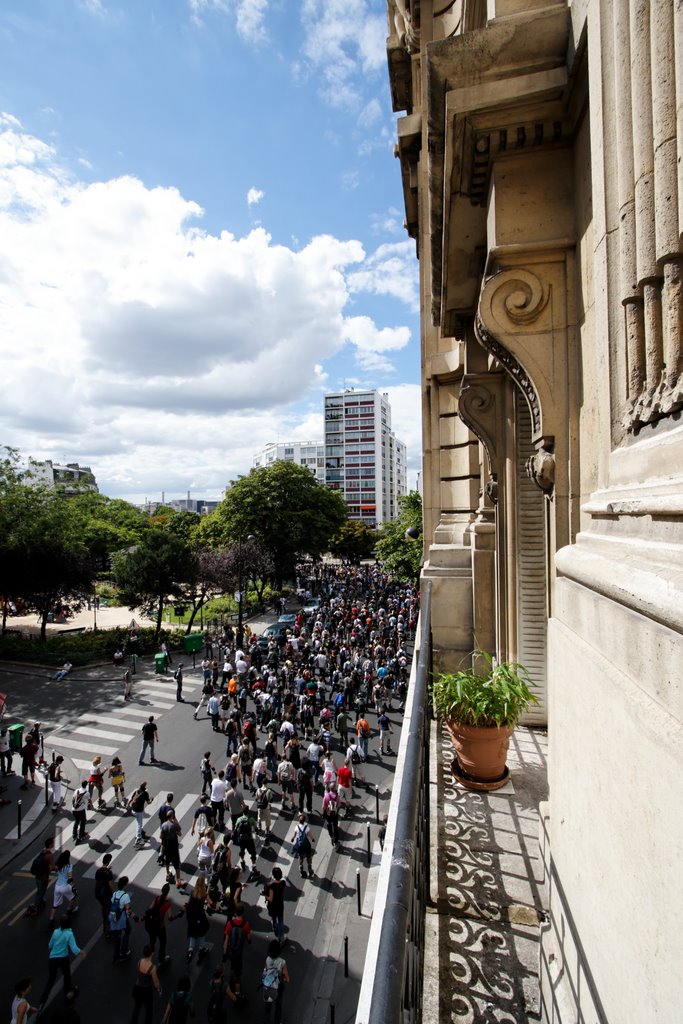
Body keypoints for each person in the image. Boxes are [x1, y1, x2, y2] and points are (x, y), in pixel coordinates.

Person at [38, 916, 85, 1013]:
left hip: (52, 959)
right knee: (67, 977)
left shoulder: (55, 932)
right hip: (63, 958)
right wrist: (82, 952)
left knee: (51, 980)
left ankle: (42, 1002)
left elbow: (50, 945)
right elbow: (74, 949)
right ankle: (68, 999)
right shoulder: (69, 934)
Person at [144, 882, 183, 966]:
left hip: (151, 925)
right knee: (162, 943)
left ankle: (149, 956)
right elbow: (170, 918)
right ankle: (161, 960)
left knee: (152, 941)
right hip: (160, 927)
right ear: (167, 892)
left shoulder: (157, 898)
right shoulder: (167, 904)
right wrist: (178, 915)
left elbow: (150, 909)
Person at [130, 944, 162, 1024]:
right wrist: (159, 989)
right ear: (152, 953)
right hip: (146, 991)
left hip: (137, 988)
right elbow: (156, 982)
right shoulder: (152, 968)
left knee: (137, 1007)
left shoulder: (140, 961)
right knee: (148, 1010)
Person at [261, 938, 290, 1023]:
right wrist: (284, 979)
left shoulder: (267, 959)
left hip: (268, 986)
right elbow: (287, 979)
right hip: (278, 987)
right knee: (278, 1006)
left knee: (268, 1006)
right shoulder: (282, 962)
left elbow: (265, 970)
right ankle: (277, 1021)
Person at [222, 903, 251, 984]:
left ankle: (231, 977)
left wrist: (224, 954)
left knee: (232, 965)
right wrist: (248, 940)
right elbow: (249, 938)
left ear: (235, 912)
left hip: (231, 950)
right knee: (238, 968)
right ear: (242, 912)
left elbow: (226, 940)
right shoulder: (245, 924)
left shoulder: (230, 924)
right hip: (239, 951)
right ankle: (237, 981)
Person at [109, 876, 135, 963]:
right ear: (125, 885)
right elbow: (128, 909)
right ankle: (124, 950)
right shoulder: (125, 896)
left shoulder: (114, 894)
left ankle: (116, 955)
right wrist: (134, 916)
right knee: (128, 930)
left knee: (117, 937)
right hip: (121, 919)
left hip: (114, 918)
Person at [184, 878, 210, 964]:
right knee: (202, 933)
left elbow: (187, 904)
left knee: (193, 932)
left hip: (191, 918)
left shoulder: (192, 892)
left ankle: (190, 950)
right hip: (200, 918)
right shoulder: (204, 894)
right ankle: (201, 949)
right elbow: (211, 903)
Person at [49, 850, 77, 926]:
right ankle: (69, 910)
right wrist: (73, 886)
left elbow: (52, 869)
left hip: (57, 886)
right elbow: (70, 878)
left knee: (55, 905)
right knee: (73, 897)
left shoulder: (58, 865)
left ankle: (51, 919)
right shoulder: (69, 866)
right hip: (65, 886)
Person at [30, 836, 55, 914]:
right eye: (53, 842)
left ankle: (39, 901)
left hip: (38, 875)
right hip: (43, 877)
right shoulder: (49, 855)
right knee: (41, 892)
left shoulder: (43, 851)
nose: (54, 843)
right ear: (50, 845)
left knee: (39, 890)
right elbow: (52, 868)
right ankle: (34, 906)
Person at [160, 810, 185, 889]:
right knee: (176, 862)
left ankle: (168, 874)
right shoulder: (174, 824)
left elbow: (161, 836)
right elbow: (180, 834)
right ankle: (178, 880)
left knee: (167, 860)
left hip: (167, 844)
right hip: (174, 844)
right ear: (172, 816)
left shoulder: (163, 825)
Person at [94, 853, 114, 937]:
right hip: (106, 894)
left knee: (104, 909)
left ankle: (105, 923)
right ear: (109, 862)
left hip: (98, 894)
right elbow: (110, 884)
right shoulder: (108, 873)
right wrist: (114, 893)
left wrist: (107, 869)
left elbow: (98, 878)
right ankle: (107, 931)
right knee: (109, 912)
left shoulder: (98, 871)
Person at [264, 866, 287, 945]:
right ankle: (281, 937)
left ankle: (274, 926)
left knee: (273, 916)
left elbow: (270, 898)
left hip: (273, 905)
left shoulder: (271, 886)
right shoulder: (283, 883)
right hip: (280, 904)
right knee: (280, 921)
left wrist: (264, 895)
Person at [128, 781, 152, 847]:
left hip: (133, 810)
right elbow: (149, 802)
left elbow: (131, 799)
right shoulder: (145, 793)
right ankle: (138, 839)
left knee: (138, 821)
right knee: (139, 824)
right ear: (145, 787)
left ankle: (139, 833)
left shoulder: (136, 791)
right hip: (139, 811)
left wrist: (128, 805)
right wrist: (151, 800)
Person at [292, 814, 314, 878]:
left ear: (299, 820)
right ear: (304, 821)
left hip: (299, 845)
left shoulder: (296, 827)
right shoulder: (307, 827)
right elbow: (310, 835)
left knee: (300, 856)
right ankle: (309, 869)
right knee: (308, 855)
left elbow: (294, 835)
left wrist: (293, 839)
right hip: (306, 845)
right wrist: (312, 839)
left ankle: (301, 868)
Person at [322, 784, 341, 849]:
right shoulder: (337, 796)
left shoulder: (326, 796)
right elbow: (339, 805)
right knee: (335, 825)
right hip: (334, 814)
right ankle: (336, 841)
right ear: (335, 788)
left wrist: (323, 814)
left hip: (328, 813)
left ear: (329, 789)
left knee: (329, 823)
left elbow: (323, 807)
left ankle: (331, 835)